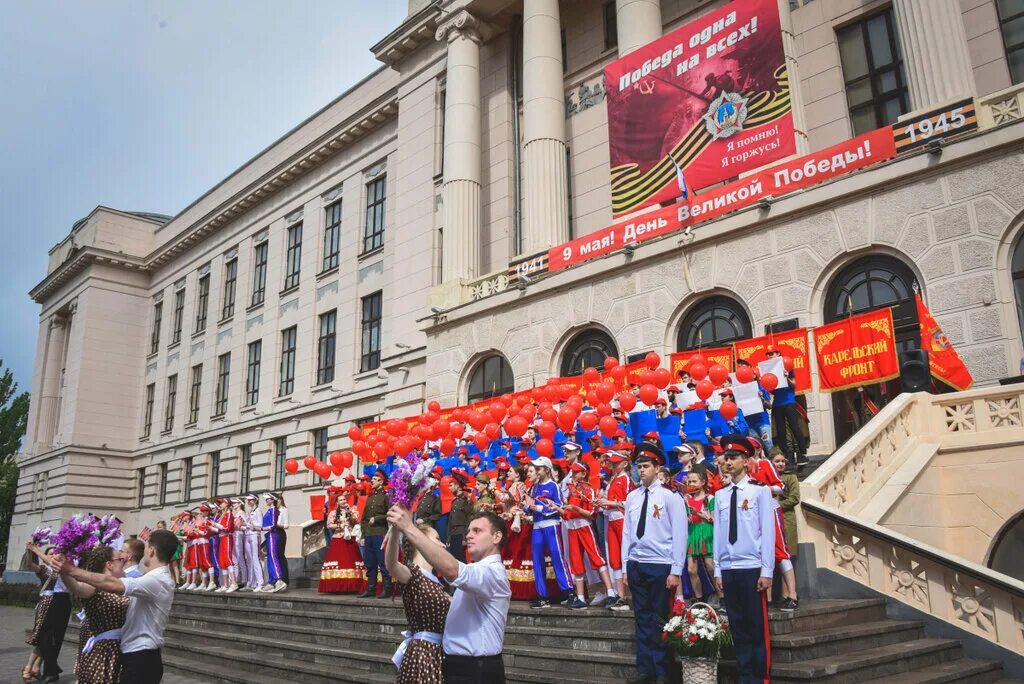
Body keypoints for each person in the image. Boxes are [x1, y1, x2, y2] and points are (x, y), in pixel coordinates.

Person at [387, 506, 511, 684]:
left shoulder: (493, 573)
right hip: (456, 665)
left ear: (496, 537)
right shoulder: (476, 573)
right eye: (468, 531)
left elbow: (452, 570)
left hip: (476, 670)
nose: (468, 536)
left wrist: (408, 527)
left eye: (477, 531)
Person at [52, 529, 179, 684]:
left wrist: (72, 570)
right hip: (130, 654)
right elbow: (83, 588)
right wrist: (65, 571)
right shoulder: (153, 578)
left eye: (146, 547)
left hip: (141, 655)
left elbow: (114, 584)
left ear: (151, 551)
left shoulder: (157, 580)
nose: (144, 552)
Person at [621, 442, 687, 684]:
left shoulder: (670, 496)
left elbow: (680, 534)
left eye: (646, 466)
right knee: (642, 617)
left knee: (660, 618)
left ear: (657, 468)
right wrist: (625, 564)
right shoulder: (632, 497)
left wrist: (676, 569)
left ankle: (663, 670)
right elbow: (627, 532)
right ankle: (646, 668)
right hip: (637, 562)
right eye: (639, 466)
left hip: (660, 563)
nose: (642, 470)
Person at [713, 440, 776, 684]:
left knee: (755, 625)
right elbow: (719, 533)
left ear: (746, 461)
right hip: (729, 567)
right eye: (726, 458)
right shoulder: (720, 495)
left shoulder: (759, 490)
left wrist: (767, 570)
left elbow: (767, 531)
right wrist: (718, 569)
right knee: (737, 625)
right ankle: (745, 674)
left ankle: (760, 676)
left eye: (734, 457)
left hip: (751, 566)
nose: (728, 462)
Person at [384, 521, 451, 684]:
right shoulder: (412, 573)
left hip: (439, 652)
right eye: (437, 539)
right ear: (420, 541)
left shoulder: (438, 582)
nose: (443, 545)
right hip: (423, 654)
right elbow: (391, 565)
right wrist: (395, 531)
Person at [61, 545, 129, 684]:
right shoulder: (94, 587)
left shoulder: (123, 585)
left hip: (125, 647)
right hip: (106, 650)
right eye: (120, 559)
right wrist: (64, 571)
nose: (124, 561)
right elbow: (78, 588)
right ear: (109, 564)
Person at [562, 462, 618, 609]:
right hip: (572, 527)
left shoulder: (588, 489)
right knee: (576, 562)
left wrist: (576, 508)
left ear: (584, 473)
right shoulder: (570, 490)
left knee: (596, 556)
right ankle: (581, 598)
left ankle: (611, 592)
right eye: (572, 472)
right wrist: (556, 507)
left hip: (584, 526)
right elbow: (567, 514)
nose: (573, 475)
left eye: (576, 472)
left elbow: (592, 514)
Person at [525, 456, 572, 608]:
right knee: (537, 560)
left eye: (538, 469)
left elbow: (559, 506)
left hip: (551, 525)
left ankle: (569, 592)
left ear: (546, 469)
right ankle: (542, 595)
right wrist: (526, 507)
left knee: (557, 556)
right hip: (537, 526)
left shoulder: (553, 486)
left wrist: (539, 508)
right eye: (535, 469)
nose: (536, 471)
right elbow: (529, 505)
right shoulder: (534, 486)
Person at [598, 451, 632, 609]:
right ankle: (620, 596)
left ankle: (629, 595)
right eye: (613, 463)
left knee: (626, 555)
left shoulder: (625, 479)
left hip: (621, 519)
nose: (614, 465)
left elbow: (629, 501)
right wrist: (602, 503)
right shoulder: (613, 479)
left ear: (625, 463)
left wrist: (609, 503)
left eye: (617, 463)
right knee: (614, 558)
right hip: (611, 519)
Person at [765, 346, 808, 468]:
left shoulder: (786, 365)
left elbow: (793, 384)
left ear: (778, 354)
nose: (769, 356)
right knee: (780, 431)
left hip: (789, 402)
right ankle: (785, 456)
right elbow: (772, 390)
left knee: (795, 427)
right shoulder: (769, 369)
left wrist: (786, 376)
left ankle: (802, 453)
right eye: (768, 354)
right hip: (777, 403)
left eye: (771, 353)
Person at [683, 470, 720, 606]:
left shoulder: (710, 498)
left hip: (706, 532)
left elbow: (713, 519)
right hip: (693, 533)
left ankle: (721, 596)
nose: (691, 484)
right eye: (689, 482)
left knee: (711, 567)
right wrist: (685, 512)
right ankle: (699, 599)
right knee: (691, 569)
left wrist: (697, 513)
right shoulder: (688, 500)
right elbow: (688, 520)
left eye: (694, 481)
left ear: (703, 482)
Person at [773, 447, 801, 608]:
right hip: (772, 520)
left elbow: (795, 498)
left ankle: (789, 594)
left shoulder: (790, 477)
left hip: (787, 518)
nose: (780, 464)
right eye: (777, 461)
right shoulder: (768, 477)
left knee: (787, 555)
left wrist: (776, 505)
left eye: (782, 461)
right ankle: (781, 594)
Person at [319, 498, 364, 594]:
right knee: (340, 561)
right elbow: (329, 525)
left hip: (350, 538)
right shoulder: (333, 513)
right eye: (341, 500)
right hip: (338, 538)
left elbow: (356, 521)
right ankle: (336, 586)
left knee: (351, 561)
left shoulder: (352, 510)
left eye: (344, 499)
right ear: (337, 503)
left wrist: (349, 512)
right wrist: (339, 526)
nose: (343, 501)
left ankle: (354, 586)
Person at [359, 471, 392, 598]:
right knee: (370, 562)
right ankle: (371, 589)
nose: (371, 481)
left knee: (382, 562)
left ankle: (386, 589)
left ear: (381, 481)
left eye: (374, 479)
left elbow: (390, 514)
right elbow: (364, 518)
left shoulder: (386, 496)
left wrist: (377, 518)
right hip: (369, 534)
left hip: (380, 533)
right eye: (372, 479)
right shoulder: (370, 497)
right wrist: (363, 534)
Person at [259, 493, 288, 593]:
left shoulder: (275, 510)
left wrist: (259, 528)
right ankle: (272, 582)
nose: (266, 500)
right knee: (271, 557)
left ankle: (279, 579)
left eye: (268, 499)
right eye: (266, 499)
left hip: (273, 534)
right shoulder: (270, 510)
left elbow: (273, 525)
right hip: (269, 535)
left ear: (273, 500)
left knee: (274, 556)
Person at [447, 470, 472, 561]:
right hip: (453, 534)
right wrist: (448, 538)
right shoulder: (455, 501)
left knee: (461, 560)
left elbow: (469, 519)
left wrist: (465, 537)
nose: (449, 488)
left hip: (461, 534)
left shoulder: (465, 501)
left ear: (457, 486)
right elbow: (450, 521)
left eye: (451, 485)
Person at [241, 495, 264, 591]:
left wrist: (247, 524)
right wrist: (241, 525)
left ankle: (260, 583)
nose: (249, 502)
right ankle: (251, 583)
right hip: (248, 535)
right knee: (249, 560)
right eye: (248, 500)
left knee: (255, 559)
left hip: (255, 535)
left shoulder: (258, 510)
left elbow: (260, 525)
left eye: (251, 500)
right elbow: (247, 526)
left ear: (255, 500)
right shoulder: (250, 511)